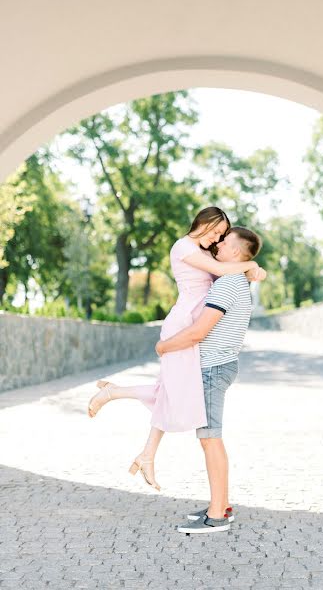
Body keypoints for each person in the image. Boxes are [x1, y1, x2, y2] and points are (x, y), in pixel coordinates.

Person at [87, 207, 265, 491]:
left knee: (169, 391)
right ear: (205, 224)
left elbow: (230, 268)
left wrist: (252, 266)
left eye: (222, 237)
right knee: (168, 391)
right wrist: (250, 266)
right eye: (217, 233)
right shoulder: (183, 247)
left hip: (194, 328)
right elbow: (223, 270)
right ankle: (115, 397)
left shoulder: (206, 252)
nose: (218, 240)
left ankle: (146, 453)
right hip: (183, 327)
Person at [155, 226, 262, 533]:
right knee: (209, 438)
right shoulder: (233, 280)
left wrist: (164, 346)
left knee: (210, 439)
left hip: (214, 368)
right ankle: (221, 504)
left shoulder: (228, 283)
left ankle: (217, 515)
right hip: (217, 366)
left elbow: (199, 332)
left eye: (225, 242)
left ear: (237, 253)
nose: (218, 244)